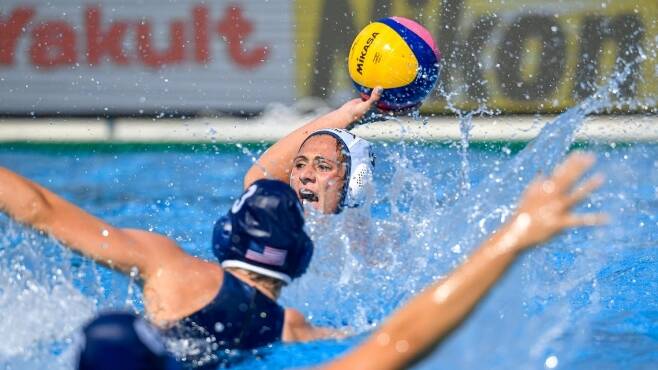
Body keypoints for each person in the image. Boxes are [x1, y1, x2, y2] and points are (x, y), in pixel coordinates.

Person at [49, 152, 601, 370]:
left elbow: (39, 206)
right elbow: (392, 342)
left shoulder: (167, 269)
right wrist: (515, 235)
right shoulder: (285, 323)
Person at [243, 88, 384, 214]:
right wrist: (346, 116)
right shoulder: (283, 229)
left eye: (323, 166)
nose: (304, 175)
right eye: (299, 165)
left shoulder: (372, 241)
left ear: (355, 181)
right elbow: (258, 181)